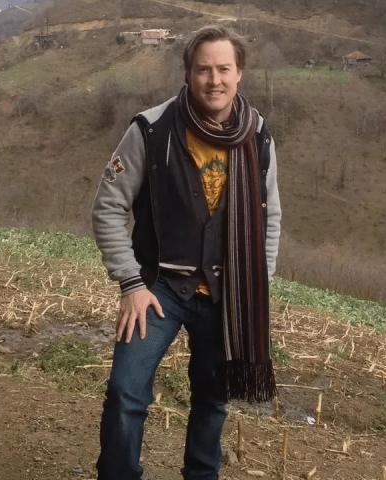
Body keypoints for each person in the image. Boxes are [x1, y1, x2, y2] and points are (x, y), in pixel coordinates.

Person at [91, 24, 281, 480]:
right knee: (125, 391)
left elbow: (269, 216)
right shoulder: (151, 129)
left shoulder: (257, 135)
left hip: (226, 292)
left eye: (224, 69)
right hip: (158, 288)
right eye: (203, 70)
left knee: (213, 399)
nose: (214, 80)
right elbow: (108, 207)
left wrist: (257, 285)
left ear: (239, 74)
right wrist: (131, 283)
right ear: (188, 74)